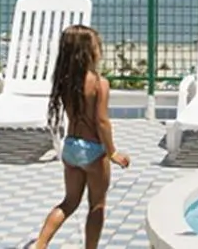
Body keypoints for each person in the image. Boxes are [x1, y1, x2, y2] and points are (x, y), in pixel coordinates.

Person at [32, 24, 131, 249]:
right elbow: (102, 122)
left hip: (71, 148)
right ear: (88, 52)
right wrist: (112, 151)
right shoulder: (99, 83)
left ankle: (39, 244)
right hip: (94, 150)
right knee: (97, 205)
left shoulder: (65, 81)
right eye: (98, 46)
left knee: (69, 202)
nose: (101, 50)